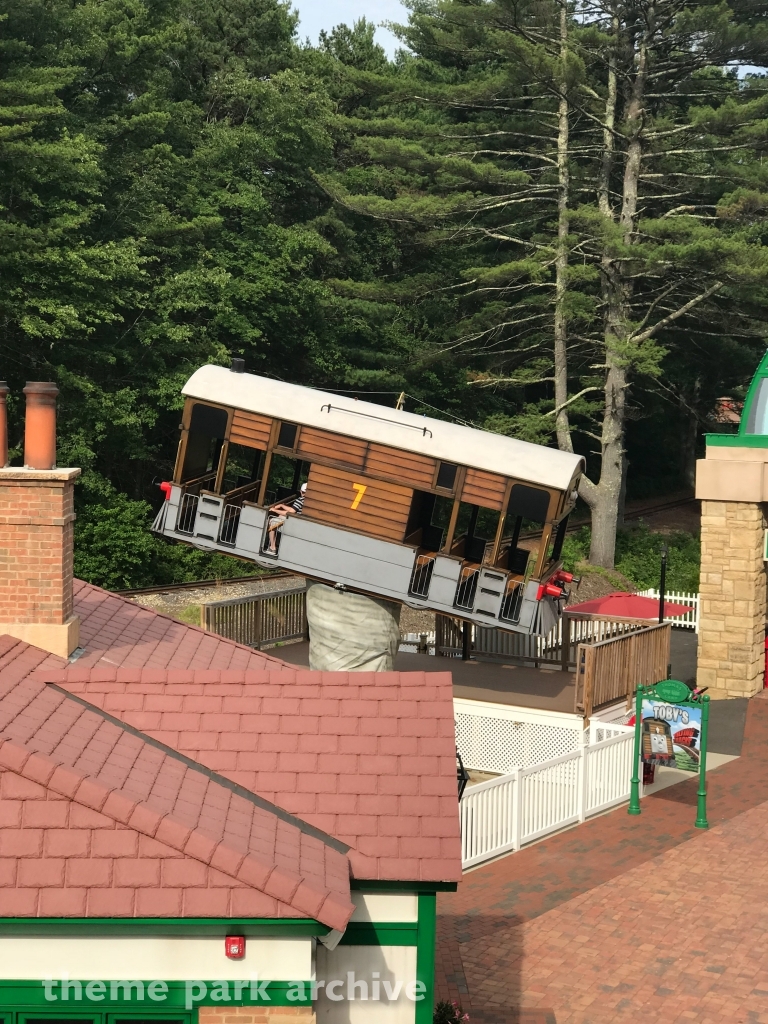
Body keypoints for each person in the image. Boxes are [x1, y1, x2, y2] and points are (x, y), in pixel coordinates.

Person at [266, 482, 306, 553]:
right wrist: (282, 505)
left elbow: (290, 512)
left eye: (303, 492)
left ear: (300, 491)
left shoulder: (300, 500)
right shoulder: (305, 501)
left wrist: (274, 510)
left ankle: (272, 547)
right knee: (280, 517)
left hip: (293, 521)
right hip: (297, 520)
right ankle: (275, 543)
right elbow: (293, 509)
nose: (303, 494)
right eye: (303, 492)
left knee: (272, 521)